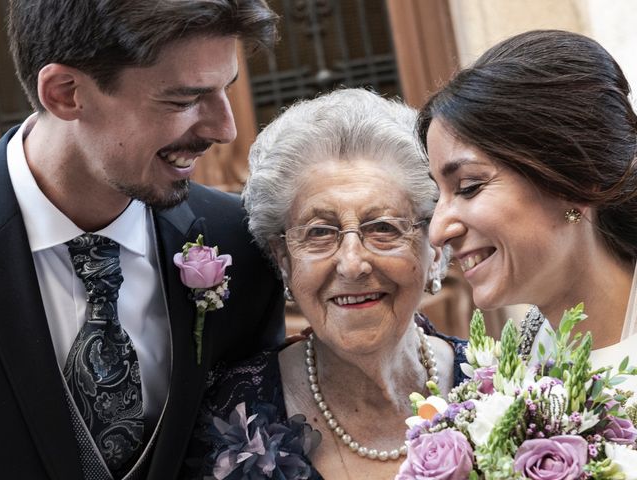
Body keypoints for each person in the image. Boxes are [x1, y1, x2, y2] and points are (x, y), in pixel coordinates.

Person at [0, 1, 286, 479]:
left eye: (225, 90)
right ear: (65, 93)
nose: (225, 129)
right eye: (182, 100)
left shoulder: (242, 242)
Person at [183, 88, 467, 480]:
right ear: (284, 259)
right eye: (319, 232)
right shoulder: (226, 417)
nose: (352, 264)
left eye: (383, 227)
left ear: (434, 249)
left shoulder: (507, 389)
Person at [419, 30, 637, 392]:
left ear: (578, 175)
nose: (439, 230)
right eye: (436, 196)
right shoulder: (522, 364)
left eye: (469, 186)